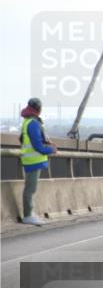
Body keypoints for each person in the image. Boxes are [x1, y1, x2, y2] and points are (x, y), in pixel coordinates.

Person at [19, 97, 57, 226]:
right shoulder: (34, 123)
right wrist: (51, 149)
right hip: (33, 161)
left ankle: (29, 214)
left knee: (30, 188)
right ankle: (28, 215)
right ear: (39, 109)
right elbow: (37, 146)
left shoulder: (27, 121)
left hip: (29, 159)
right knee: (31, 188)